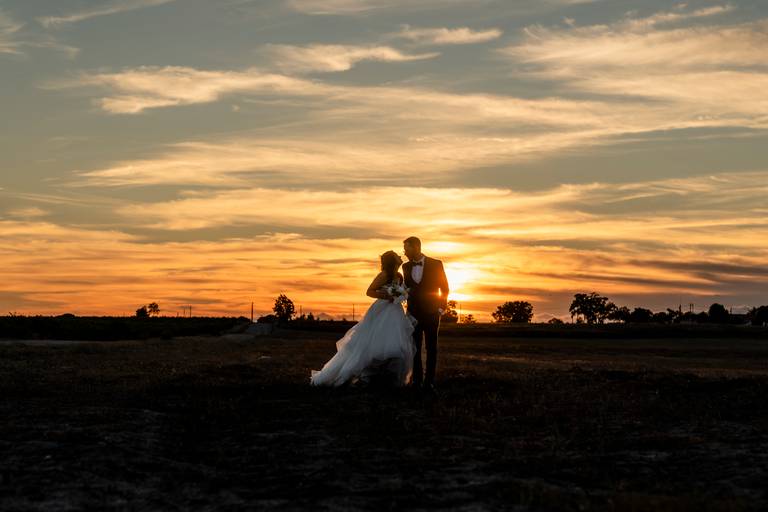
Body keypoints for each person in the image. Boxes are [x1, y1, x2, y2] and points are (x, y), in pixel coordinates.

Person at [310, 250, 415, 387]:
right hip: (382, 309)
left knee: (395, 340)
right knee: (375, 341)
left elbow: (402, 291)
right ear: (392, 260)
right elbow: (369, 291)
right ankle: (363, 375)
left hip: (395, 310)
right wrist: (388, 296)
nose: (400, 256)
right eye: (397, 255)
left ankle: (389, 377)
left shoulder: (399, 276)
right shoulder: (384, 275)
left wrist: (401, 295)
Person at [402, 236, 449, 392]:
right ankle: (416, 380)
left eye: (407, 248)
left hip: (432, 313)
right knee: (415, 348)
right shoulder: (405, 267)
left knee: (431, 348)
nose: (404, 252)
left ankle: (429, 382)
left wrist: (441, 308)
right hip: (413, 314)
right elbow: (406, 288)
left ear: (416, 247)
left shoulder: (436, 264)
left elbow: (444, 288)